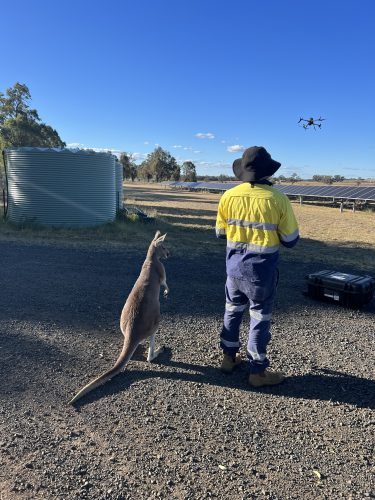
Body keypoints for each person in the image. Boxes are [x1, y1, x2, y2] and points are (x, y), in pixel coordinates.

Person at [215, 146, 299, 387]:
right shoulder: (278, 199)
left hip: (233, 269)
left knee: (232, 311)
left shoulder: (228, 196)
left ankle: (228, 358)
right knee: (259, 318)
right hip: (261, 273)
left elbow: (220, 233)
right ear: (267, 172)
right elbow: (291, 240)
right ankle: (258, 372)